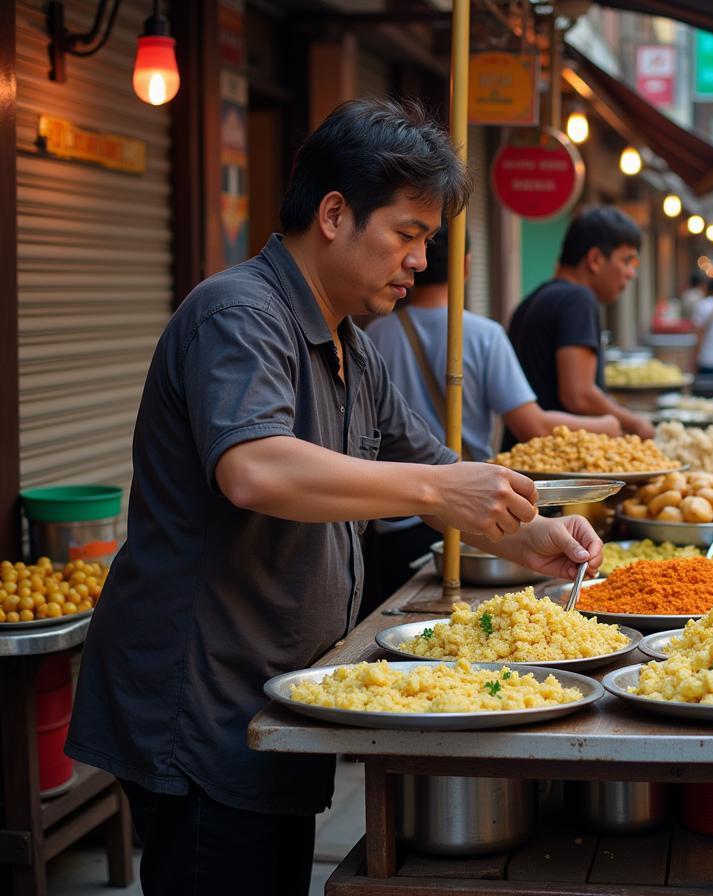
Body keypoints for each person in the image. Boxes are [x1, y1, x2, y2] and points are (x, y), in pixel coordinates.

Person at [65, 99, 604, 895]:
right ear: (333, 213)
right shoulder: (238, 313)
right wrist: (439, 486)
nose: (420, 261)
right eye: (408, 234)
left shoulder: (352, 346)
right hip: (201, 701)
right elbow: (254, 469)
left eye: (427, 240)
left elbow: (428, 467)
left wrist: (533, 537)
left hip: (276, 694)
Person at [364, 225, 619, 606]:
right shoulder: (483, 334)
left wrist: (534, 532)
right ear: (466, 266)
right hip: (469, 509)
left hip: (404, 522)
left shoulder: (374, 334)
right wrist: (613, 426)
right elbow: (528, 424)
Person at [507, 206, 654, 443]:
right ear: (595, 259)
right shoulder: (578, 299)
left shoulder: (531, 300)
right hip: (559, 464)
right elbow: (578, 395)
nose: (630, 273)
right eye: (626, 260)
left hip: (526, 457)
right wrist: (635, 423)